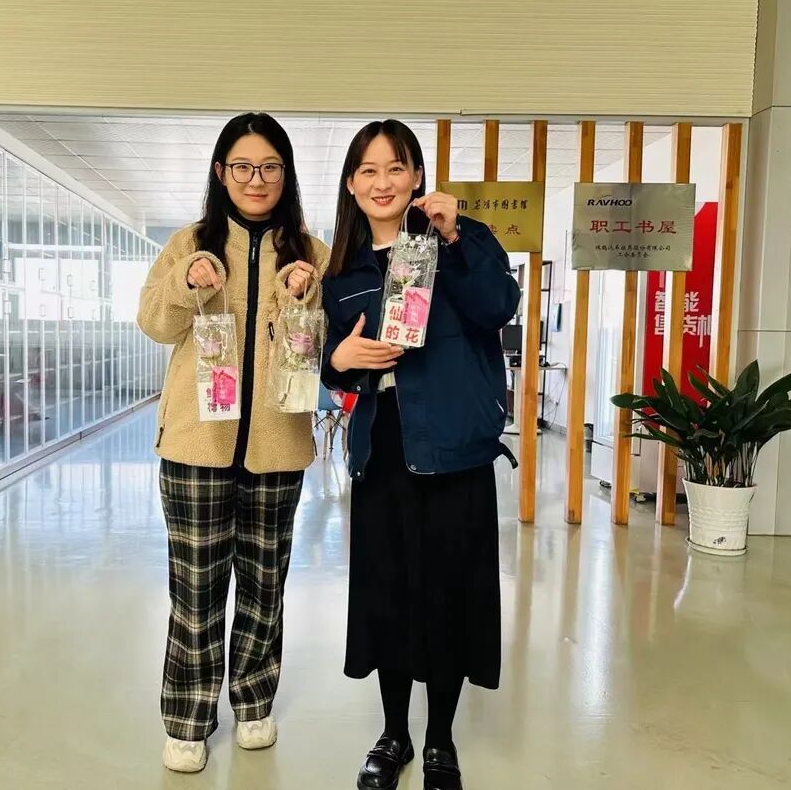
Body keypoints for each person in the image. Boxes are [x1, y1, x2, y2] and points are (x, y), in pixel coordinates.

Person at [321, 120, 520, 790]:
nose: (383, 182)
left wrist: (456, 236)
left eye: (396, 168)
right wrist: (340, 359)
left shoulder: (460, 239)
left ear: (416, 176)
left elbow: (497, 306)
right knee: (389, 596)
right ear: (352, 185)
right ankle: (394, 734)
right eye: (368, 171)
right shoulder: (344, 271)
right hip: (382, 452)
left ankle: (439, 740)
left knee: (448, 597)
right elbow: (328, 361)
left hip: (455, 452)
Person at [137, 112, 330, 773]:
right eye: (243, 166)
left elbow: (317, 349)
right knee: (195, 589)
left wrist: (302, 299)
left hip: (277, 445)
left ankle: (253, 701)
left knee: (264, 585)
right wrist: (185, 284)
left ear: (286, 174)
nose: (256, 179)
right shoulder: (191, 242)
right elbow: (154, 323)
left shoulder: (310, 249)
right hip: (197, 445)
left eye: (270, 167)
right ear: (221, 173)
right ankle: (188, 718)